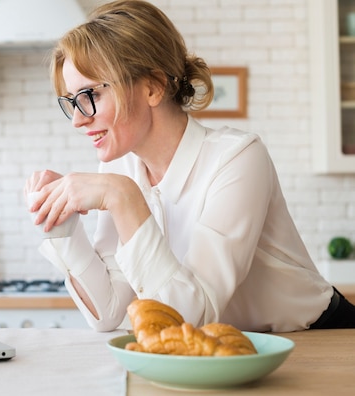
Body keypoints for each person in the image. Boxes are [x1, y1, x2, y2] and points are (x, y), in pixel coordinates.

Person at [24, 0, 355, 332]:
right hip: (229, 351)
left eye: (89, 95)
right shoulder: (121, 170)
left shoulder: (238, 158)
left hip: (321, 339)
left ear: (153, 86)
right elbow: (110, 312)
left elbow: (192, 316)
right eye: (71, 101)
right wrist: (61, 228)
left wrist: (124, 198)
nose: (78, 120)